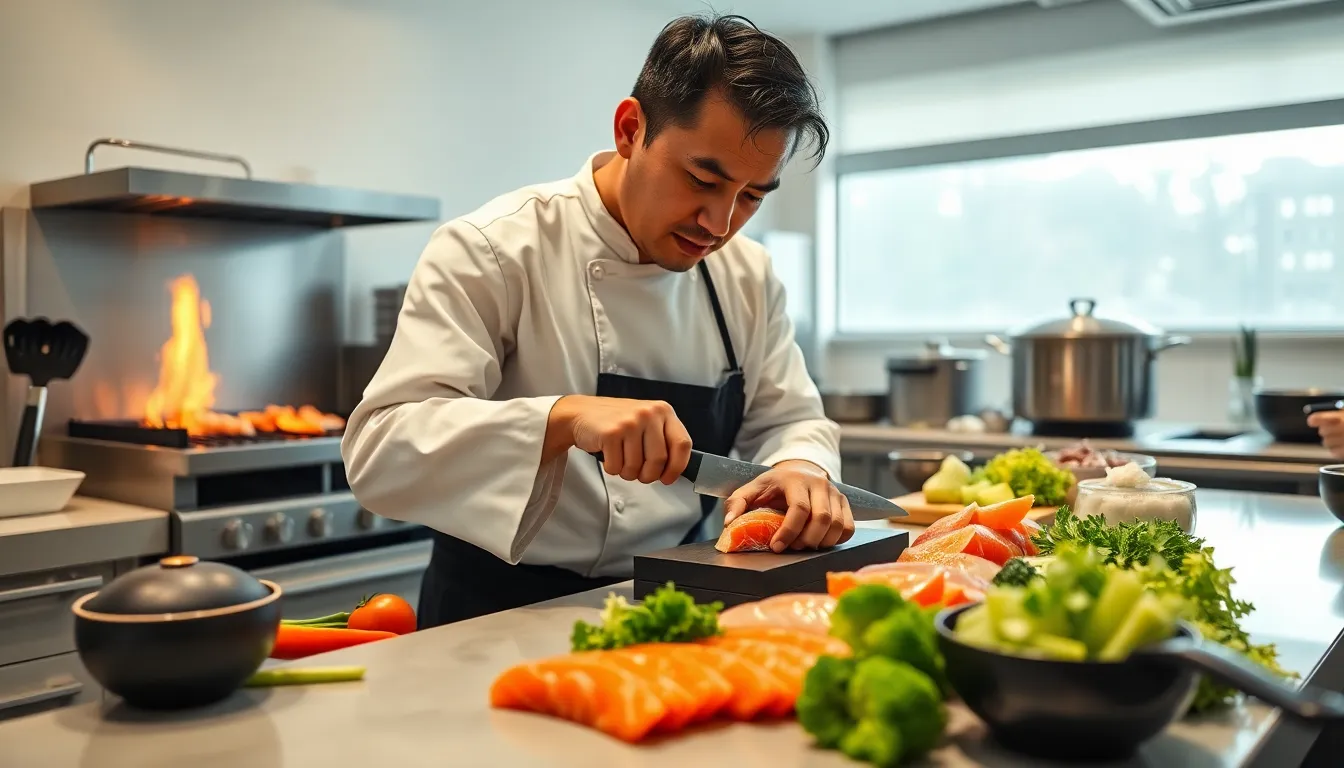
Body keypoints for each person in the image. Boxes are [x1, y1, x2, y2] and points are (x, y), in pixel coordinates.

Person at [341, 13, 853, 629]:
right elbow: (380, 449)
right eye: (701, 179)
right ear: (631, 129)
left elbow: (790, 415)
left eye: (750, 196)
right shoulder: (494, 250)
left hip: (672, 603)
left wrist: (801, 466)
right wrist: (561, 418)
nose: (718, 224)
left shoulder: (747, 274)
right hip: (493, 614)